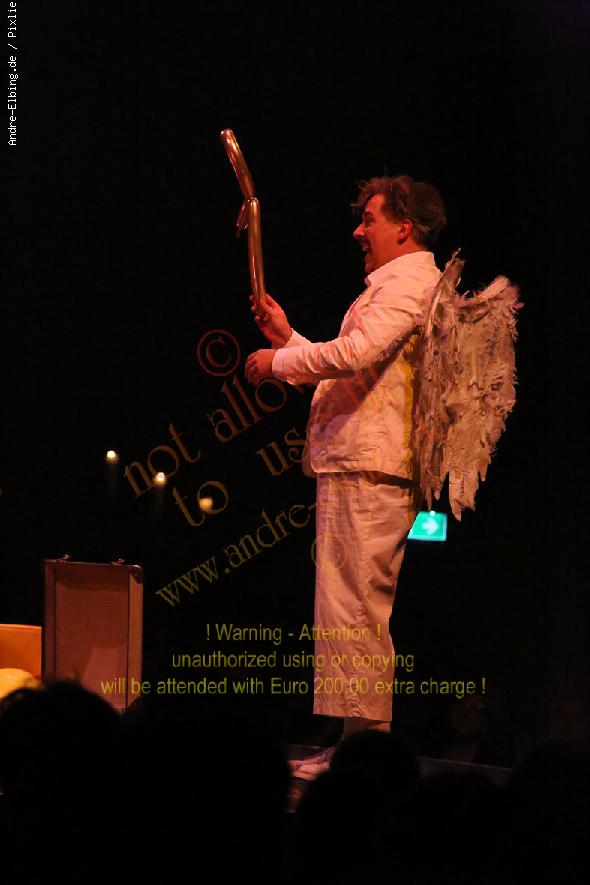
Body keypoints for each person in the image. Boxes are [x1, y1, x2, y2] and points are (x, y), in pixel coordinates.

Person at [245, 175, 446, 778]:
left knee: (357, 612)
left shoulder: (410, 283)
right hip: (357, 464)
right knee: (347, 614)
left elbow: (353, 355)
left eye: (370, 219)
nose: (359, 231)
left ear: (403, 228)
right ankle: (358, 752)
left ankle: (366, 762)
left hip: (371, 469)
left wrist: (278, 361)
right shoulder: (393, 286)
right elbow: (355, 371)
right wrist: (288, 338)